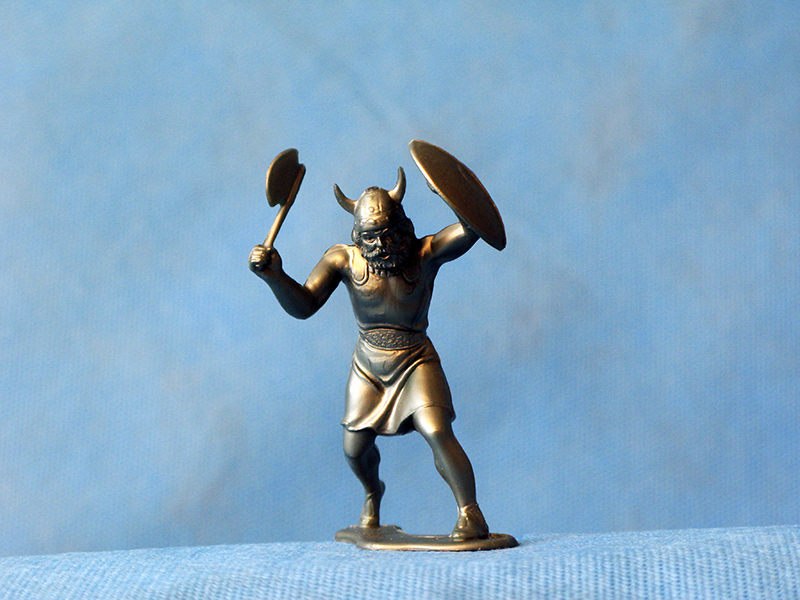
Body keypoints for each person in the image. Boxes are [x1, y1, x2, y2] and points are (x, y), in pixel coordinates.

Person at [249, 167, 489, 540]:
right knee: (354, 449)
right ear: (358, 234)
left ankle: (470, 513)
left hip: (415, 359)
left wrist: (447, 190)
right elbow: (305, 305)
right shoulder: (342, 260)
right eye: (371, 236)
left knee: (436, 429)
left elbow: (473, 229)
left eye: (389, 232)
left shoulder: (425, 253)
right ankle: (373, 492)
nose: (382, 242)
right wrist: (275, 277)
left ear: (402, 225)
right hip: (368, 366)